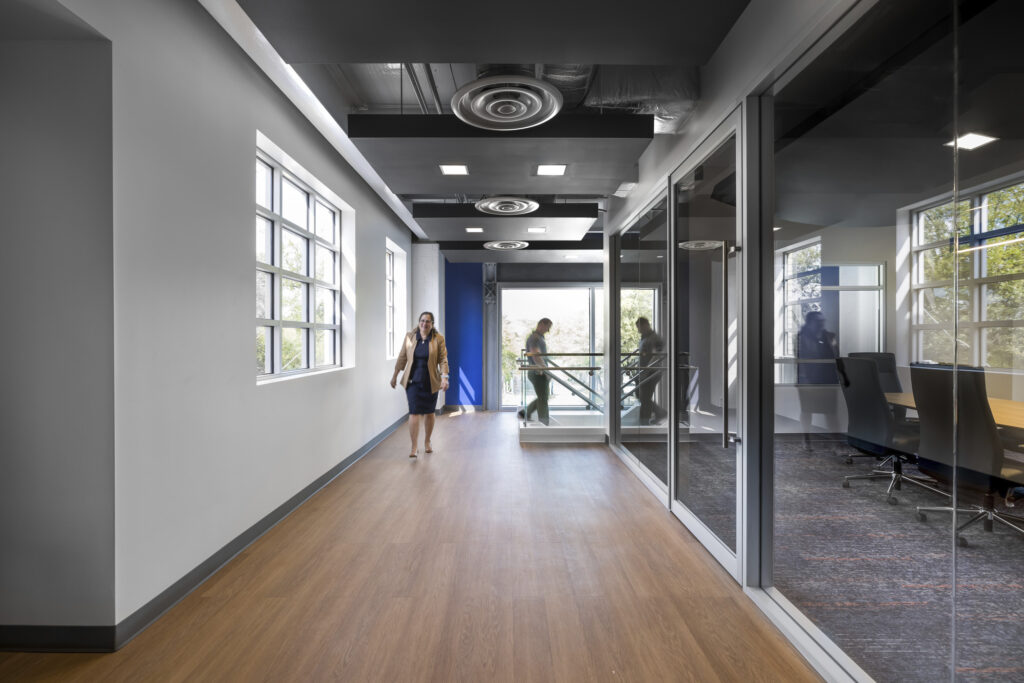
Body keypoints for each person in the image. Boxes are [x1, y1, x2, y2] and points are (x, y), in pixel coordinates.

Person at [391, 311, 450, 458]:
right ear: (419, 322)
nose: (424, 324)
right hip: (413, 382)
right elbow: (402, 357)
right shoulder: (410, 337)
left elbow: (443, 359)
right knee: (414, 413)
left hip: (430, 382)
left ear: (432, 324)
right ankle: (414, 447)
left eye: (428, 321)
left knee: (430, 413)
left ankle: (427, 441)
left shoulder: (438, 339)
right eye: (422, 321)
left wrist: (444, 377)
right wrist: (394, 376)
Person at [635, 317, 668, 424]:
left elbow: (657, 356)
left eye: (639, 327)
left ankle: (644, 422)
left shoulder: (655, 338)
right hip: (644, 371)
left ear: (645, 325)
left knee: (645, 398)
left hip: (652, 372)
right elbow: (642, 355)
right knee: (641, 396)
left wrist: (647, 369)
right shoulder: (644, 337)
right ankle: (660, 413)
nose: (638, 330)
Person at [520, 318, 552, 425]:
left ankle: (525, 413)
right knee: (543, 398)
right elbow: (535, 354)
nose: (548, 330)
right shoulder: (535, 338)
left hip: (538, 371)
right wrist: (545, 370)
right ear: (541, 324)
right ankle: (544, 424)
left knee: (543, 397)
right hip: (538, 372)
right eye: (548, 327)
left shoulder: (538, 337)